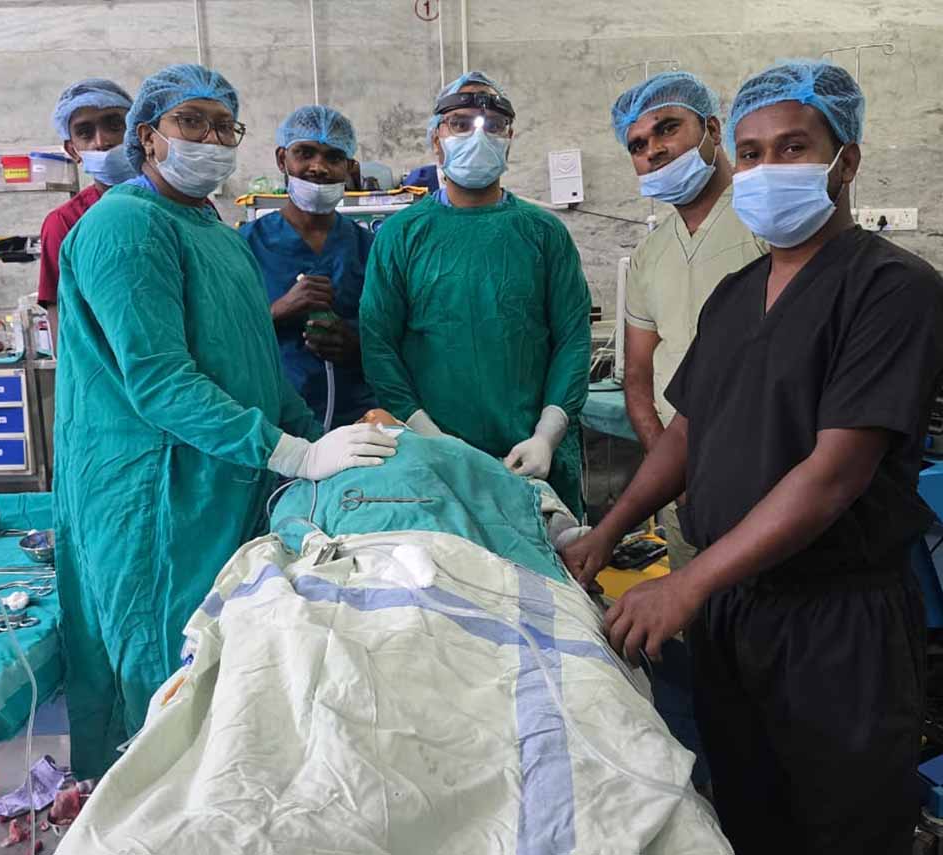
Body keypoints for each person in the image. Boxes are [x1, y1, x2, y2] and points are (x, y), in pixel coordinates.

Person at [562, 59, 943, 854]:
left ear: (846, 161)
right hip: (735, 613)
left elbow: (834, 474)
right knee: (746, 812)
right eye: (753, 152)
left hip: (835, 620)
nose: (768, 169)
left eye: (793, 148)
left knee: (842, 825)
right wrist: (607, 530)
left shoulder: (892, 288)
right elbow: (687, 433)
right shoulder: (738, 293)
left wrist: (687, 582)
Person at [53, 64, 398, 781]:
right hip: (154, 495)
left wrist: (324, 441)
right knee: (164, 680)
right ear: (149, 136)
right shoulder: (124, 225)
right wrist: (291, 454)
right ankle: (145, 808)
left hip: (222, 483)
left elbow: (257, 368)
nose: (210, 139)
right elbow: (160, 379)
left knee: (223, 672)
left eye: (223, 126)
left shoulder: (215, 232)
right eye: (192, 122)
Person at [359, 71, 591, 517]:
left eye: (493, 125)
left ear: (510, 140)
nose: (478, 136)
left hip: (530, 459)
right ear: (436, 140)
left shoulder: (543, 233)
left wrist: (547, 434)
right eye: (460, 124)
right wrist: (429, 435)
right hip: (434, 462)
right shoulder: (401, 235)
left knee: (548, 553)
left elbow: (573, 338)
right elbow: (379, 345)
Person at [612, 71, 767, 571]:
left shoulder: (770, 227)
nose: (653, 151)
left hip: (772, 478)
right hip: (685, 487)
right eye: (637, 144)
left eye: (667, 129)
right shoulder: (650, 256)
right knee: (693, 609)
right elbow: (638, 376)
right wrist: (673, 475)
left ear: (713, 130)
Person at [240, 106, 376, 429]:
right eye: (305, 153)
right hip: (273, 420)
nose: (318, 167)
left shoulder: (369, 248)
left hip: (357, 421)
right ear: (282, 159)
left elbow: (395, 340)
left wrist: (355, 346)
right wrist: (278, 311)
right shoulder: (244, 245)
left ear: (349, 168)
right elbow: (219, 336)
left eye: (334, 157)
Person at [39, 78, 137, 350]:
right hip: (107, 369)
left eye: (114, 125)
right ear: (73, 150)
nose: (102, 141)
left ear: (138, 132)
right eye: (85, 133)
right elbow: (61, 319)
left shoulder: (184, 207)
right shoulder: (65, 223)